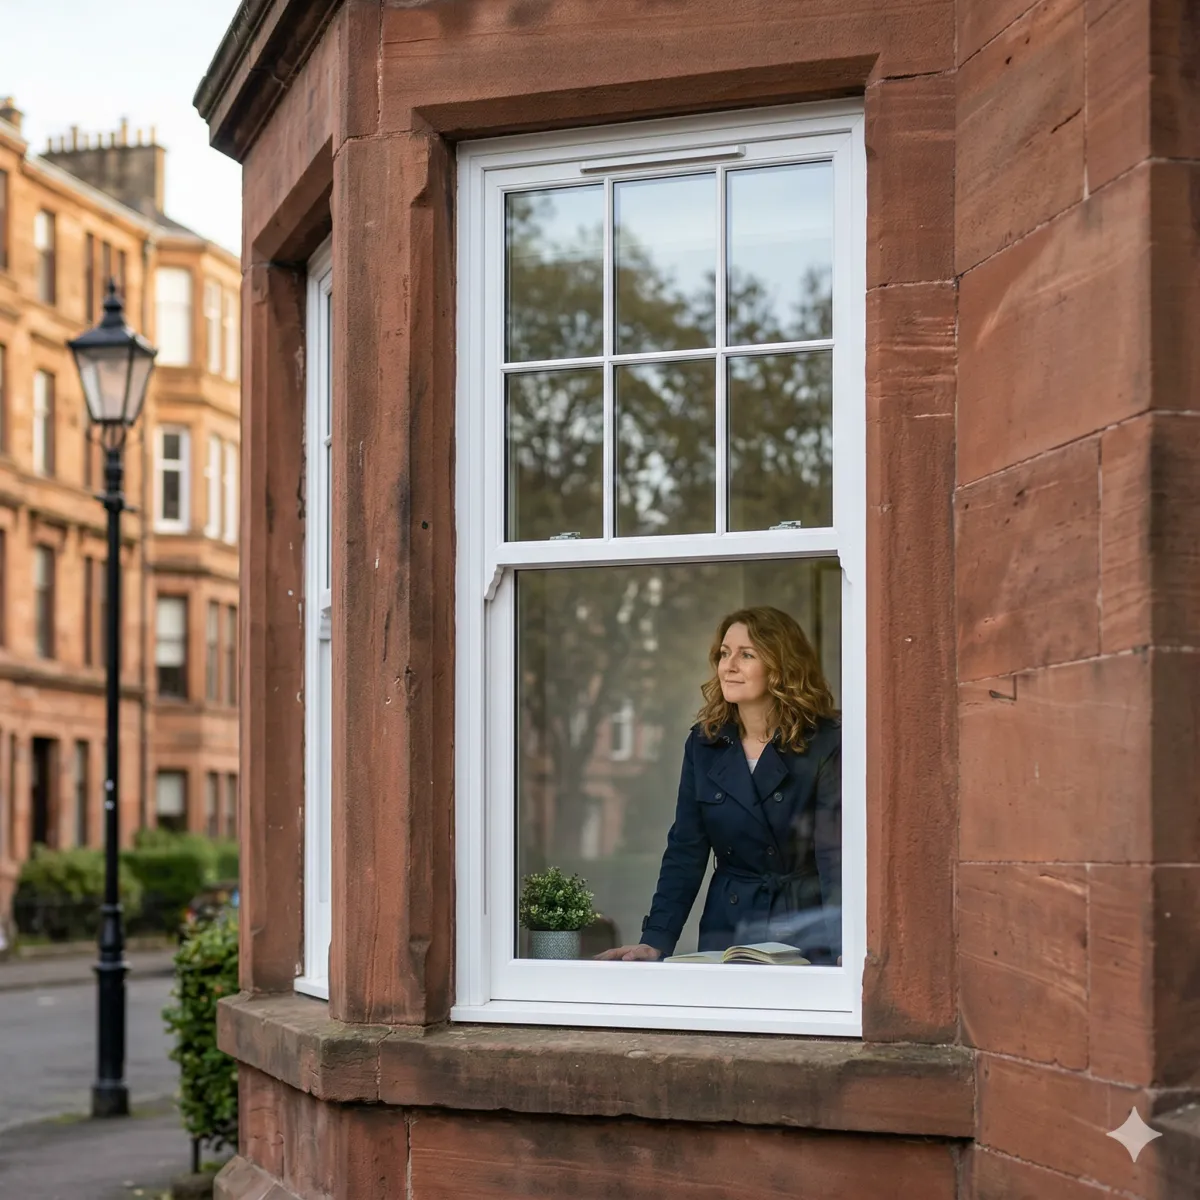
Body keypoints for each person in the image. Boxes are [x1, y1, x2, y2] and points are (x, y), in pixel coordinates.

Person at [596, 606, 841, 965]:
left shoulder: (824, 742)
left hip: (805, 925)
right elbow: (686, 848)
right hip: (728, 925)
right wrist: (656, 940)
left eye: (747, 655)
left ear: (781, 666)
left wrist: (843, 947)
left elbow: (835, 856)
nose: (729, 665)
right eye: (725, 653)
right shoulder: (704, 744)